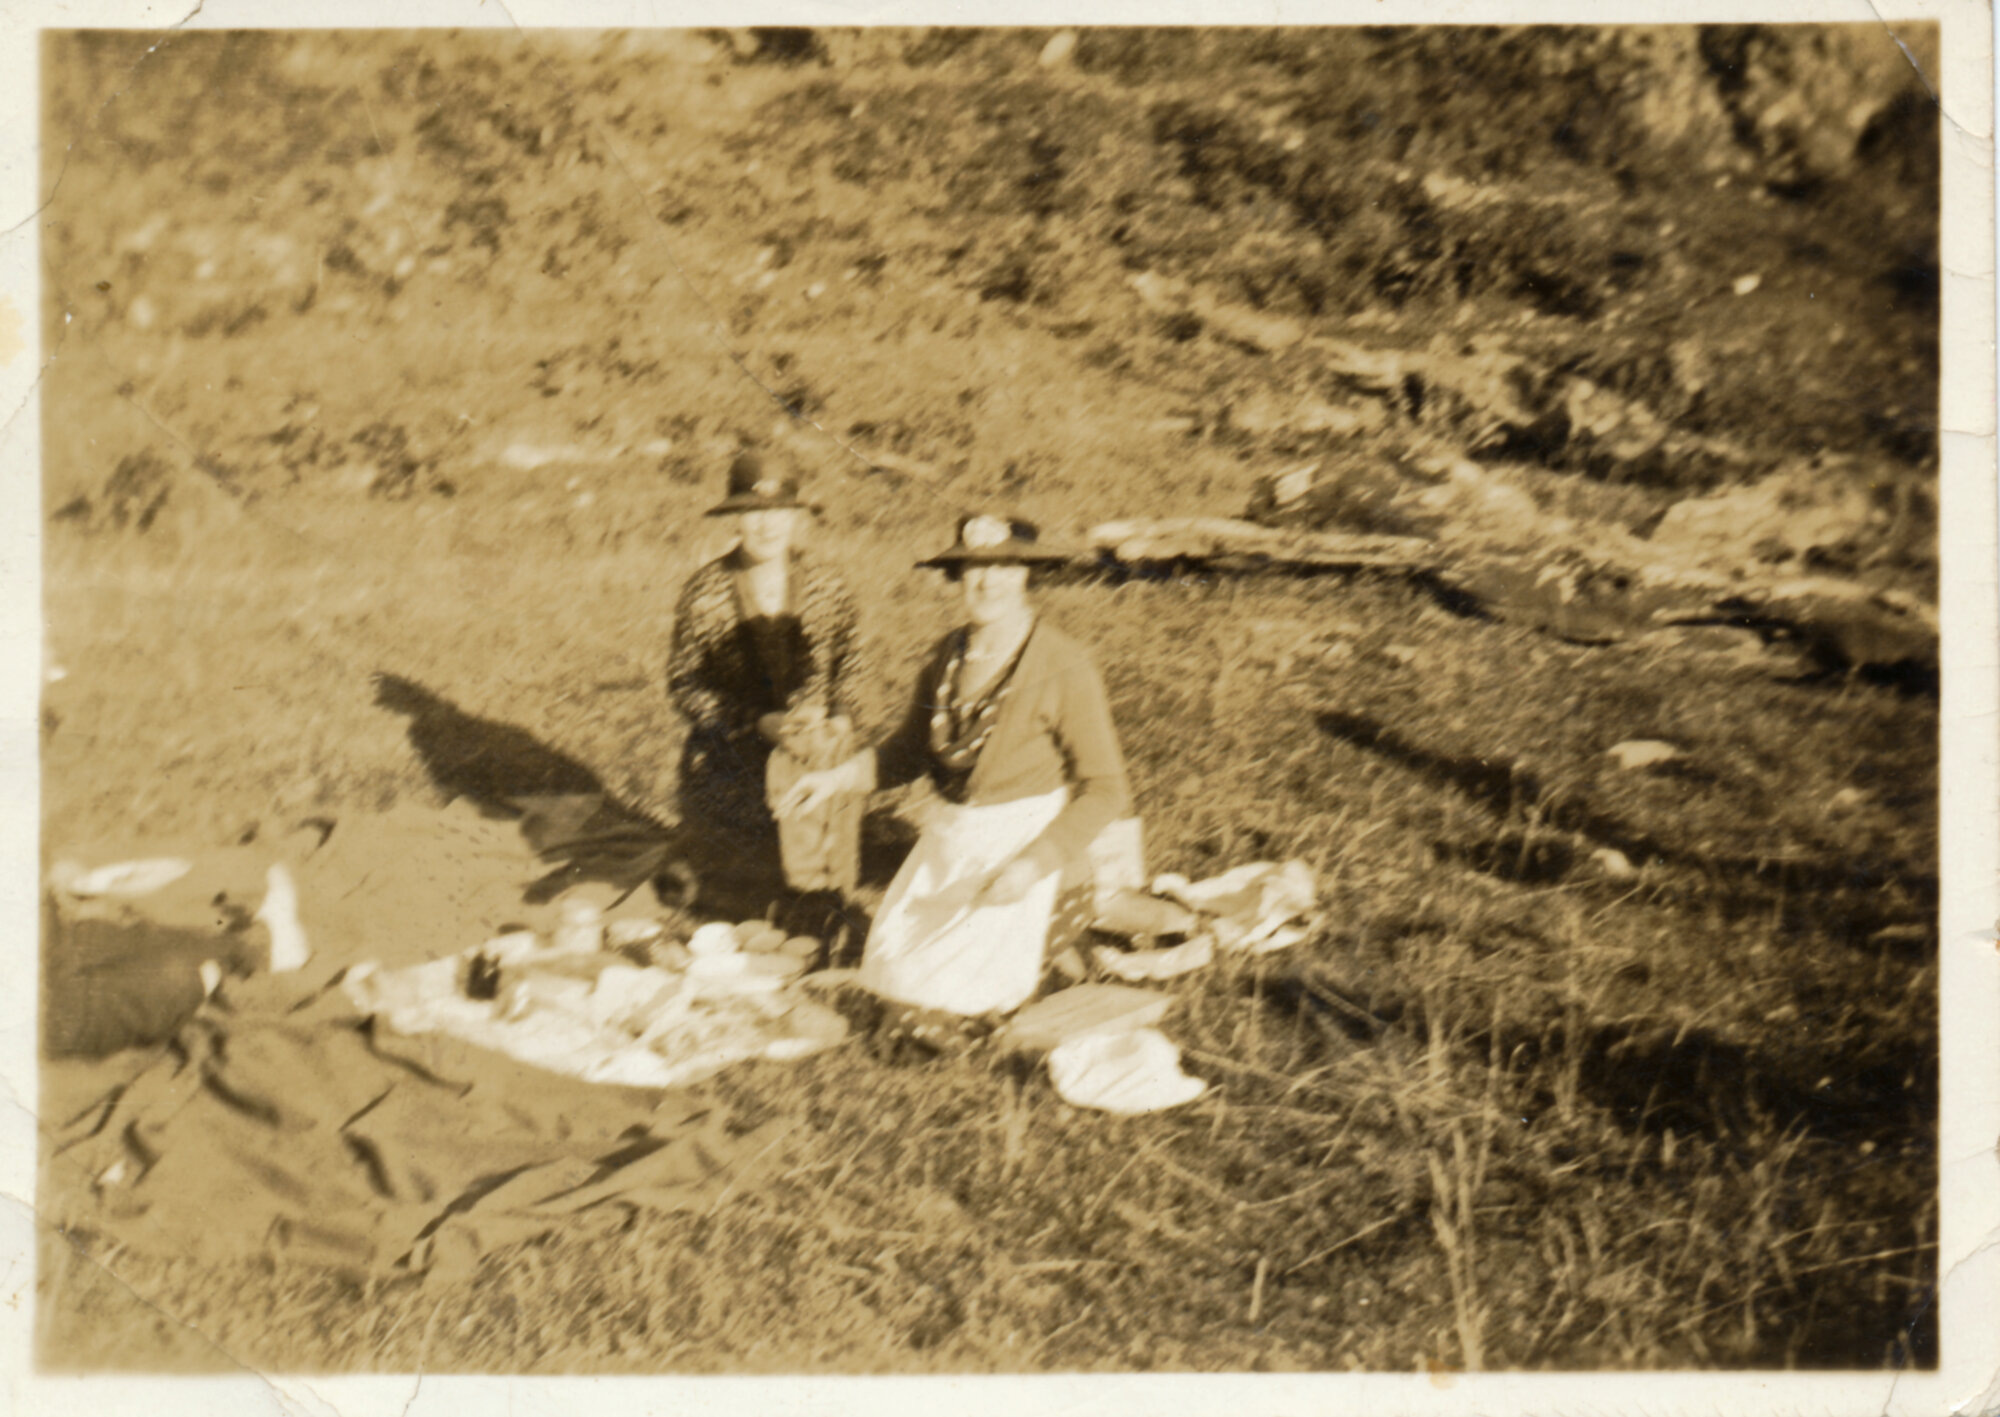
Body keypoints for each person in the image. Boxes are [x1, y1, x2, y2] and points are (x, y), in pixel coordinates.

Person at [777, 513, 1132, 1022]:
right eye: (973, 569)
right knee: (892, 978)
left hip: (1020, 849)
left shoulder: (1063, 665)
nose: (987, 582)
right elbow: (908, 752)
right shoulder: (947, 655)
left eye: (1004, 568)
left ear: (1026, 574)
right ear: (957, 576)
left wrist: (1034, 864)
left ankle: (1059, 940)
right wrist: (834, 779)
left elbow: (1105, 789)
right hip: (952, 841)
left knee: (953, 1003)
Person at [668, 449, 865, 930]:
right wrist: (755, 722)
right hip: (731, 766)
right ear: (735, 518)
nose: (767, 525)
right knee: (738, 907)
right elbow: (684, 683)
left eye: (778, 511)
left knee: (822, 901)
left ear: (795, 516)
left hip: (813, 759)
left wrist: (840, 718)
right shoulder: (706, 591)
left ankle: (823, 889)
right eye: (753, 512)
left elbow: (852, 667)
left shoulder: (828, 587)